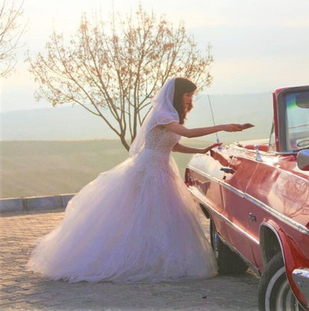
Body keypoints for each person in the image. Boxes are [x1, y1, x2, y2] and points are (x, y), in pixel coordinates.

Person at [27, 77, 253, 283]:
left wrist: (203, 149)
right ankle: (134, 260)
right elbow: (188, 133)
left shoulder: (171, 116)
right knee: (140, 216)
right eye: (187, 95)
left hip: (163, 168)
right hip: (147, 170)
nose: (190, 99)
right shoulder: (162, 115)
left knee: (163, 218)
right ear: (176, 95)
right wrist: (223, 126)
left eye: (192, 95)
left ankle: (158, 259)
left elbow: (172, 145)